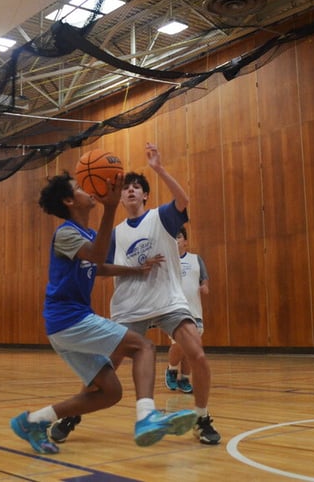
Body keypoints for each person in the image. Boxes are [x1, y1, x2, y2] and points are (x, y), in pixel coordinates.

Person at [10, 171, 197, 455]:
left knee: (110, 392)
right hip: (69, 319)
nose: (88, 190)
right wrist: (110, 207)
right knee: (144, 347)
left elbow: (98, 266)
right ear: (69, 201)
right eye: (79, 188)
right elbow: (98, 256)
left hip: (64, 325)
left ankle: (33, 421)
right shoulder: (65, 234)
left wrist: (136, 270)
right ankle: (147, 416)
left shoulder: (88, 235)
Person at [107, 142, 220, 445]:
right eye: (125, 188)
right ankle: (72, 415)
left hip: (168, 300)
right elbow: (103, 269)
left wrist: (158, 169)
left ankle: (201, 417)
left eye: (136, 187)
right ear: (120, 198)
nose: (130, 190)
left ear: (145, 195)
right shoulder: (116, 233)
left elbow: (184, 200)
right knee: (107, 366)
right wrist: (135, 269)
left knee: (198, 355)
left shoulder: (162, 217)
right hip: (131, 306)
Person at [164, 226, 209, 394]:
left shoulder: (196, 259)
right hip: (175, 310)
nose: (176, 240)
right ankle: (171, 370)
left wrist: (204, 286)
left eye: (179, 237)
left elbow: (204, 278)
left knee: (191, 348)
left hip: (195, 311)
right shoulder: (166, 262)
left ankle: (184, 379)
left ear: (186, 242)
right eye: (172, 237)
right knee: (179, 343)